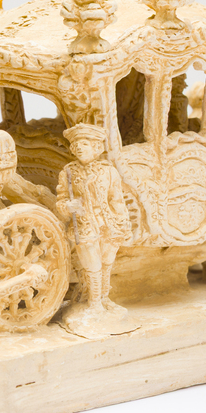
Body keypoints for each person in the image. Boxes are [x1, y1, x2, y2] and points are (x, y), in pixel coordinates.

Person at [55, 123, 136, 337]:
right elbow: (61, 199)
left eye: (84, 143)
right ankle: (93, 302)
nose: (78, 147)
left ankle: (104, 298)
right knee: (92, 265)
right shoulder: (68, 172)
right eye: (75, 144)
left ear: (96, 147)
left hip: (108, 225)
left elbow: (116, 199)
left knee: (107, 262)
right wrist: (67, 206)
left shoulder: (109, 171)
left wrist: (123, 223)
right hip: (84, 225)